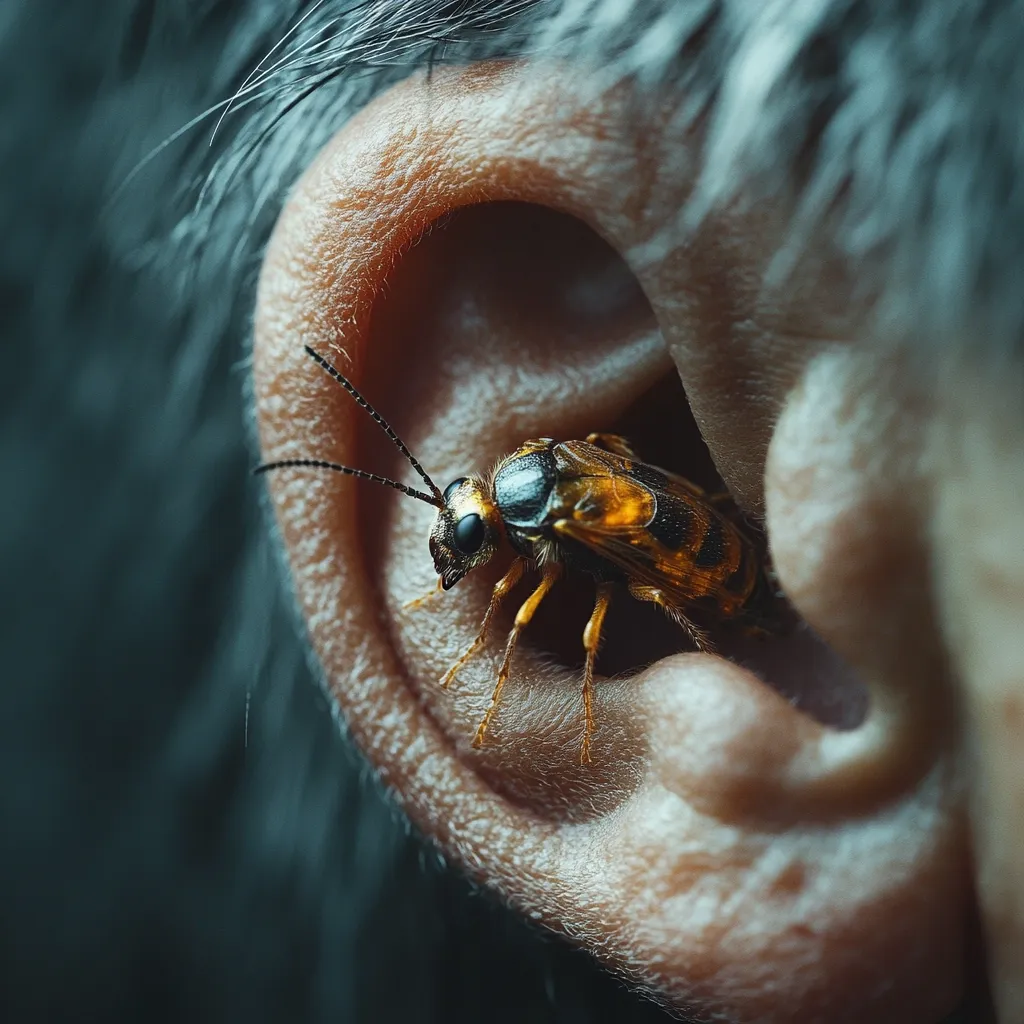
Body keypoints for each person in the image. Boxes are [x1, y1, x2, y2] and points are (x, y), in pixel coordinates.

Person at [6, 0, 1020, 1021]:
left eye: (463, 535)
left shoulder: (530, 509)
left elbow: (597, 586)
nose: (463, 550)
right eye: (462, 535)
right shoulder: (541, 476)